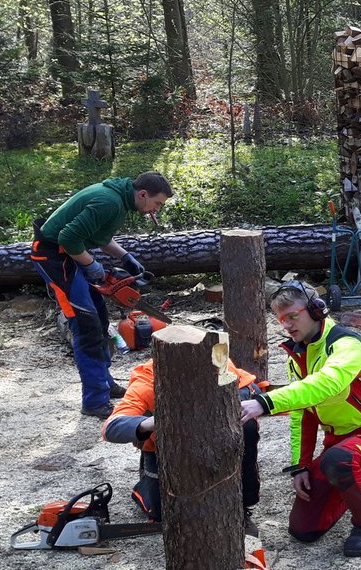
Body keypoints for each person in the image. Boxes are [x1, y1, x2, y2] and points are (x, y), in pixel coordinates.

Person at [239, 282, 361, 558]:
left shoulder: (348, 344)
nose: (287, 325)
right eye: (280, 319)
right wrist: (299, 465)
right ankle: (357, 484)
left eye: (292, 316)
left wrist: (265, 403)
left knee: (338, 460)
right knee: (304, 529)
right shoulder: (297, 355)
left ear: (315, 311)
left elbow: (326, 384)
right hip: (337, 444)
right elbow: (303, 412)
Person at [31, 173, 173, 418]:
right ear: (142, 194)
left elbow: (100, 237)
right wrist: (91, 265)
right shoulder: (109, 201)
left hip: (69, 254)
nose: (156, 210)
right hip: (53, 256)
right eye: (157, 203)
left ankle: (104, 384)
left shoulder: (118, 199)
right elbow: (68, 237)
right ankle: (94, 401)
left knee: (99, 318)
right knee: (85, 324)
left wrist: (125, 258)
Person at [102, 358, 266, 535]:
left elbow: (250, 389)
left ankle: (241, 507)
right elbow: (111, 427)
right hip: (166, 450)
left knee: (246, 428)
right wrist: (152, 423)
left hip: (215, 442)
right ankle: (145, 482)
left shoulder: (219, 365)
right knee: (163, 515)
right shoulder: (148, 382)